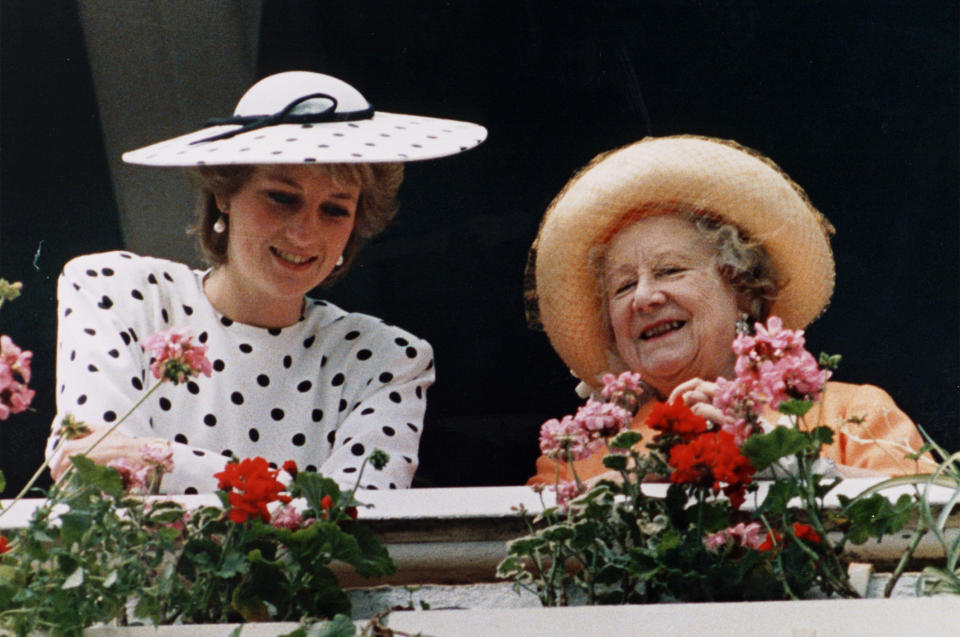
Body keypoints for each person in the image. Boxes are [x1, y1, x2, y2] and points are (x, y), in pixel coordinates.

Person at [45, 71, 487, 494]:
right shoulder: (116, 290)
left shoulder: (387, 360)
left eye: (335, 209)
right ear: (225, 193)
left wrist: (158, 458)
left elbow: (359, 522)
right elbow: (90, 471)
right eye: (281, 197)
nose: (304, 233)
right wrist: (298, 496)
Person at [525, 135, 933, 485]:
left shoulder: (850, 414)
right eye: (623, 286)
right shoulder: (577, 456)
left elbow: (937, 512)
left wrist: (786, 467)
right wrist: (637, 480)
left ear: (742, 289)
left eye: (670, 270)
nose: (643, 297)